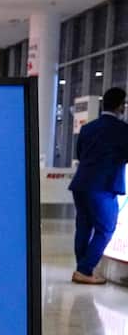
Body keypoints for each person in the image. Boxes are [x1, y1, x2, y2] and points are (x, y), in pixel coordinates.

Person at [70, 87, 128, 284]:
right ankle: (85, 270)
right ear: (121, 106)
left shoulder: (88, 128)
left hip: (81, 183)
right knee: (106, 229)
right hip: (103, 186)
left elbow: (80, 154)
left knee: (84, 226)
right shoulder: (123, 130)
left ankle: (82, 268)